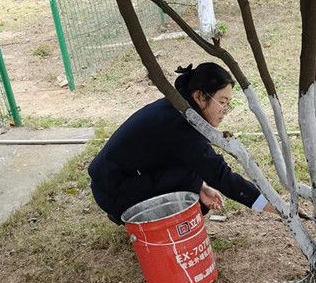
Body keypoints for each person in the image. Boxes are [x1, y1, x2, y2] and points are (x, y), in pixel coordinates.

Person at [88, 62, 275, 224]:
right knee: (192, 181)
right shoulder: (180, 125)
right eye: (222, 102)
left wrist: (200, 187)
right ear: (199, 96)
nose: (225, 110)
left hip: (119, 178)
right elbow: (220, 175)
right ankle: (131, 216)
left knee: (195, 185)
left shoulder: (179, 108)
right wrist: (275, 206)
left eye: (228, 104)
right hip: (113, 190)